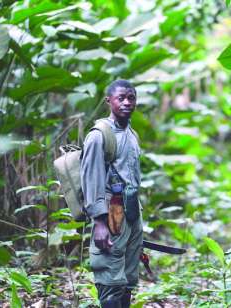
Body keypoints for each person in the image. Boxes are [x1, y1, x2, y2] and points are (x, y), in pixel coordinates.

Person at [80, 79, 142, 308]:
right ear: (109, 101)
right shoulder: (99, 136)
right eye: (121, 98)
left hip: (131, 213)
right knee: (110, 282)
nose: (127, 102)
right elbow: (91, 179)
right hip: (110, 214)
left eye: (131, 98)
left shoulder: (132, 134)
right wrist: (99, 221)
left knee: (127, 281)